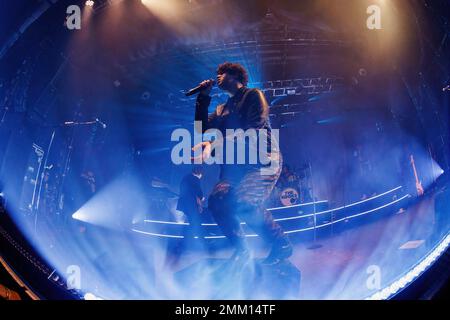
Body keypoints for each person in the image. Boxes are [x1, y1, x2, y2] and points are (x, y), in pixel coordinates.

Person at [193, 62, 292, 265]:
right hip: (235, 168)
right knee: (217, 202)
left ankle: (281, 243)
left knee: (245, 203)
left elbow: (252, 131)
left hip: (262, 161)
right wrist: (203, 97)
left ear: (235, 75)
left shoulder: (253, 95)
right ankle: (241, 251)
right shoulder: (222, 110)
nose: (217, 76)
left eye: (222, 73)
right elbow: (201, 128)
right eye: (217, 73)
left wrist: (214, 144)